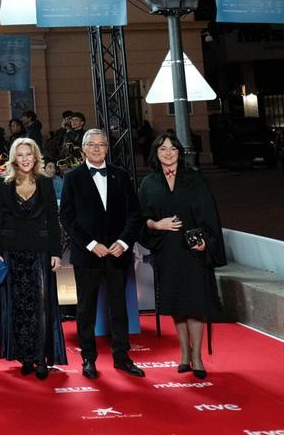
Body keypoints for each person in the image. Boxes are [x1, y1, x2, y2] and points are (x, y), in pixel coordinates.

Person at [138, 133, 226, 379]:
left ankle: (196, 356)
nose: (168, 153)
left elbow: (210, 214)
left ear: (179, 152)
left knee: (195, 304)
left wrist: (205, 242)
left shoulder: (195, 179)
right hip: (167, 251)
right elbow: (141, 218)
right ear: (155, 153)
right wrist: (157, 225)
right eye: (163, 148)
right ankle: (184, 354)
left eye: (173, 148)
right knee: (177, 304)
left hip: (194, 252)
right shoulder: (149, 183)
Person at [59, 128, 144, 380]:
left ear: (108, 148)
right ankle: (88, 359)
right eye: (91, 144)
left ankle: (122, 357)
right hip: (87, 255)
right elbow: (67, 216)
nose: (97, 149)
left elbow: (134, 214)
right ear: (83, 149)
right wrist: (90, 244)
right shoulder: (72, 177)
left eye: (101, 144)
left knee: (119, 307)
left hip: (118, 253)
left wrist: (124, 242)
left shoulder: (121, 175)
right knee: (86, 308)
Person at [0, 138, 66, 379]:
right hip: (12, 252)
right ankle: (26, 356)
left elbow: (53, 220)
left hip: (40, 251)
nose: (24, 159)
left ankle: (41, 357)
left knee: (41, 306)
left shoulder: (45, 183)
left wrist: (55, 252)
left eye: (28, 154)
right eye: (20, 155)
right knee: (18, 306)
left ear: (35, 157)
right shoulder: (3, 184)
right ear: (14, 158)